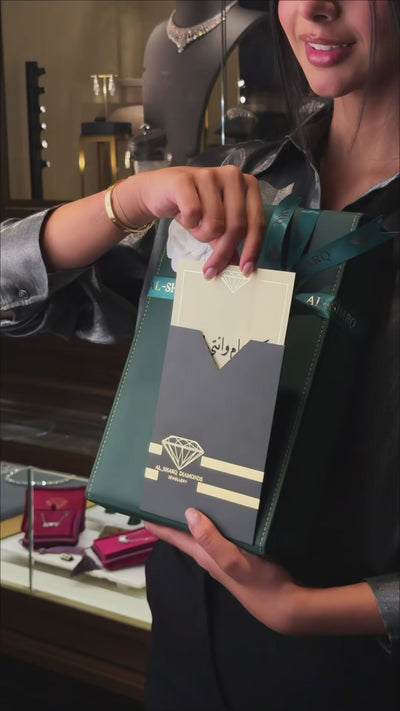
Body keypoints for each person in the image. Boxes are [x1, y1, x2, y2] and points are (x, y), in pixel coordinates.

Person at [1, 1, 398, 709]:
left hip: (352, 672)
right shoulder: (240, 181)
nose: (314, 7)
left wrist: (302, 610)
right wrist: (128, 200)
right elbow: (10, 293)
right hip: (185, 651)